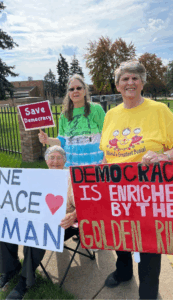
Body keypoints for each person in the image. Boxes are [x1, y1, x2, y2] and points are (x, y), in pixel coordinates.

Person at [99, 60, 173, 300]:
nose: (130, 82)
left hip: (149, 191)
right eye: (125, 79)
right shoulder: (111, 115)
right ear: (118, 86)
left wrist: (164, 156)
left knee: (149, 242)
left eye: (135, 78)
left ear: (142, 82)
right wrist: (102, 166)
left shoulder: (159, 110)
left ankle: (148, 292)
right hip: (116, 189)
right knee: (119, 234)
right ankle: (123, 272)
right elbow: (107, 152)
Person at [0, 146, 77, 300]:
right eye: (51, 157)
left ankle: (25, 281)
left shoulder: (71, 179)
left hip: (63, 224)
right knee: (6, 227)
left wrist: (74, 215)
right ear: (46, 160)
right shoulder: (38, 176)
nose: (55, 161)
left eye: (59, 157)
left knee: (35, 237)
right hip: (38, 218)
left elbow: (84, 205)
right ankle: (10, 269)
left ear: (65, 160)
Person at [38, 74, 105, 167]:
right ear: (69, 94)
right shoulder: (64, 115)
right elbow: (62, 141)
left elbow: (107, 136)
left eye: (79, 88)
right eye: (71, 89)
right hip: (71, 168)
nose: (75, 91)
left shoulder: (96, 109)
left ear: (84, 91)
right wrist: (47, 140)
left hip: (95, 166)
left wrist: (105, 161)